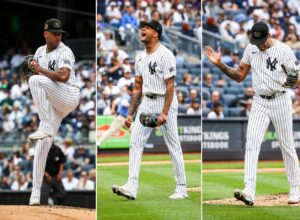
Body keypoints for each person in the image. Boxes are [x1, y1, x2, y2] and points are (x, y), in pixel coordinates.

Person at [205, 21, 300, 205]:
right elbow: (240, 76)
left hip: (280, 99)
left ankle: (295, 189)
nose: (260, 44)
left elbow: (296, 77)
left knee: (286, 145)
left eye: (262, 40)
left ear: (268, 35)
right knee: (252, 143)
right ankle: (249, 190)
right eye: (257, 41)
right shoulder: (251, 48)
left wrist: (285, 85)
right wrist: (220, 64)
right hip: (259, 101)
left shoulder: (283, 50)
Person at [112, 20, 188, 200]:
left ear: (156, 33)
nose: (142, 29)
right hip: (146, 101)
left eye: (147, 27)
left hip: (164, 100)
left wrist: (165, 113)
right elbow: (137, 87)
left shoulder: (166, 54)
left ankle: (182, 188)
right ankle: (131, 186)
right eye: (142, 27)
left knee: (173, 145)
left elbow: (170, 86)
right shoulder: (139, 57)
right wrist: (130, 114)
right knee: (135, 142)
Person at [27, 18, 80, 205]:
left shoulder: (65, 51)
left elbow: (64, 76)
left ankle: (45, 124)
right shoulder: (40, 51)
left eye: (60, 33)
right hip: (53, 101)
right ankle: (35, 193)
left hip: (69, 96)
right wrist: (32, 71)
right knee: (42, 145)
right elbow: (37, 78)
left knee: (34, 80)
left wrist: (38, 70)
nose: (58, 36)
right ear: (45, 33)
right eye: (55, 33)